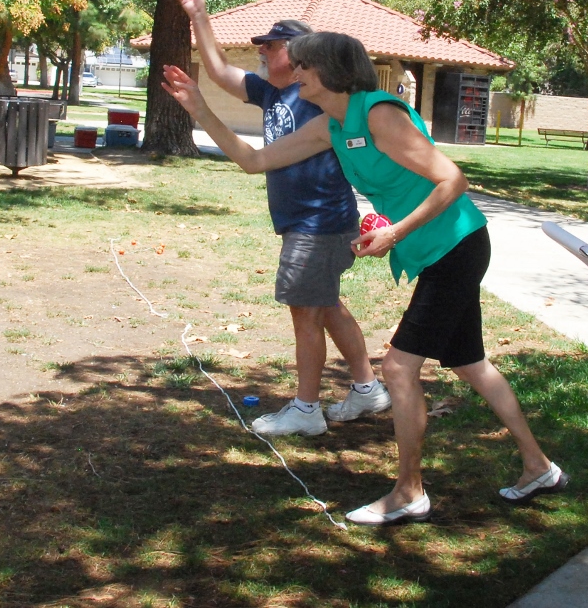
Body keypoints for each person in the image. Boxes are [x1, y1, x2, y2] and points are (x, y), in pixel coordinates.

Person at [160, 32, 565, 525]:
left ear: (329, 72)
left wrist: (394, 231)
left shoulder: (378, 114)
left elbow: (453, 179)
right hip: (437, 250)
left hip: (456, 244)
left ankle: (409, 492)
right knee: (470, 363)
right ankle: (538, 466)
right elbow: (254, 161)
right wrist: (200, 109)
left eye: (304, 65)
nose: (296, 73)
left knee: (397, 369)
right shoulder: (331, 126)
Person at [171, 0, 389, 437]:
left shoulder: (318, 98)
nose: (263, 54)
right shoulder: (272, 93)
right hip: (305, 223)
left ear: (299, 53)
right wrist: (199, 15)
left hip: (320, 222)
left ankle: (306, 410)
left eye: (271, 47)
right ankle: (368, 388)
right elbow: (219, 71)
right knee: (324, 305)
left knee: (305, 311)